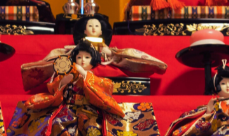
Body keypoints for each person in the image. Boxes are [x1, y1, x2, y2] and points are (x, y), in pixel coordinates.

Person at [2, 42, 160, 136]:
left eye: (86, 57)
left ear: (93, 61)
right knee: (57, 124)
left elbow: (105, 90)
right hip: (68, 109)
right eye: (79, 57)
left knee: (93, 131)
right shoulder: (68, 74)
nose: (82, 60)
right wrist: (63, 82)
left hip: (90, 112)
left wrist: (85, 76)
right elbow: (54, 91)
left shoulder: (100, 80)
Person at [20, 14, 167, 91]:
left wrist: (109, 52)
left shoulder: (103, 46)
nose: (94, 28)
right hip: (81, 64)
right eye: (90, 26)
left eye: (97, 26)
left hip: (103, 63)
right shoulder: (80, 44)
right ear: (84, 30)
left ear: (102, 30)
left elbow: (113, 55)